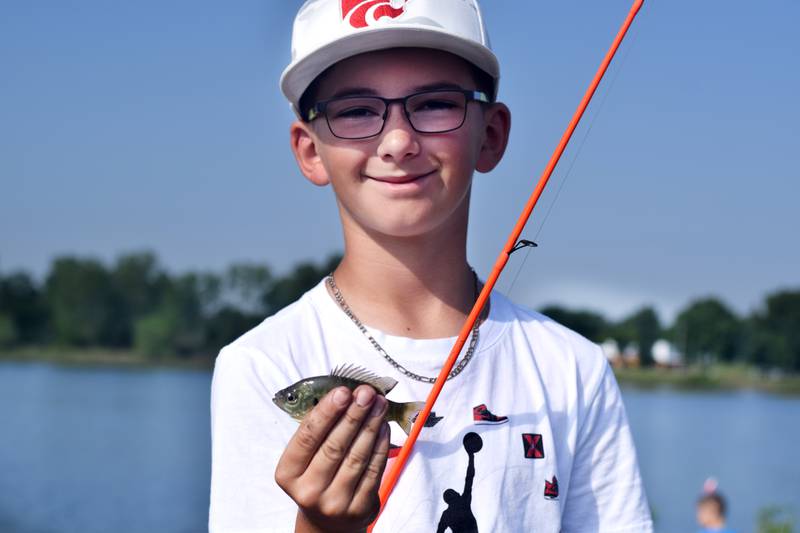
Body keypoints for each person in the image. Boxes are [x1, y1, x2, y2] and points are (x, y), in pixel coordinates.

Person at [209, 1, 653, 531]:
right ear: (309, 150)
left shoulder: (574, 370)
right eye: (355, 111)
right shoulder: (259, 366)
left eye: (436, 104)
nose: (397, 142)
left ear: (490, 135)